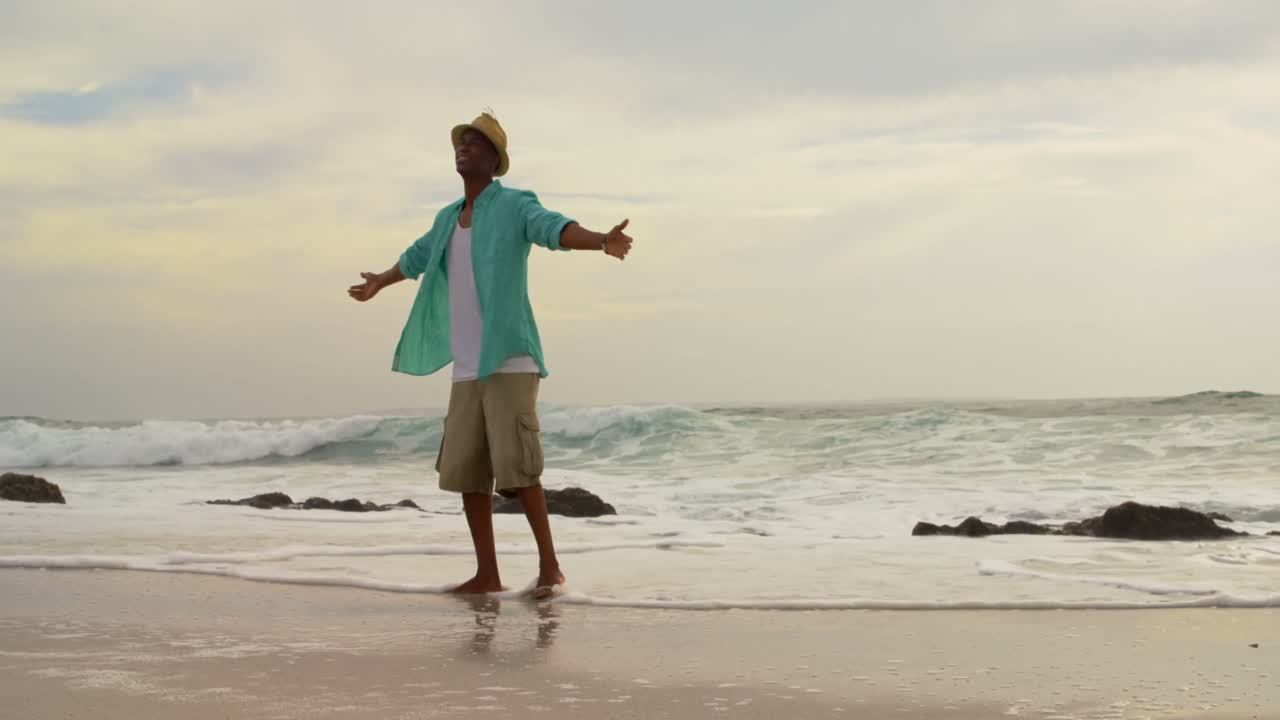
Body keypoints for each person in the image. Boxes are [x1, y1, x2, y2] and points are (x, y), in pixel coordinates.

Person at [347, 112, 634, 598]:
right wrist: (381, 280)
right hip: (466, 367)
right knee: (468, 474)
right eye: (462, 142)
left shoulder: (516, 205)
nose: (465, 148)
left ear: (495, 159)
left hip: (509, 359)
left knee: (520, 471)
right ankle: (488, 574)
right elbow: (416, 257)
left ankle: (551, 569)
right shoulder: (446, 219)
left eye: (476, 143)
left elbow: (554, 229)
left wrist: (601, 241)